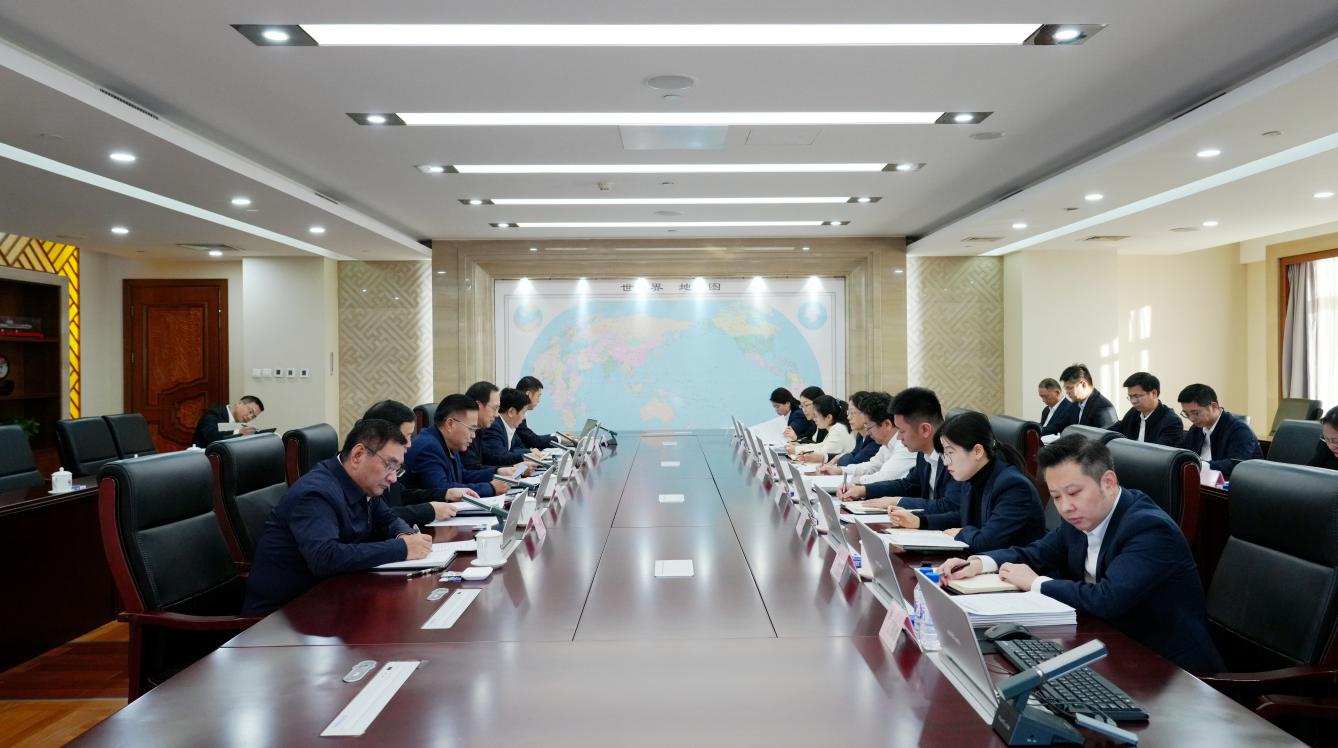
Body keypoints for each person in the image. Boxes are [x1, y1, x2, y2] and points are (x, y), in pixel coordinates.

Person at [939, 435, 1224, 674]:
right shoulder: (1081, 519)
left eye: (1073, 493)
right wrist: (979, 563)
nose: (1065, 507)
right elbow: (1037, 553)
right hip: (1109, 646)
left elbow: (1107, 598)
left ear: (1108, 482)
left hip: (1170, 669)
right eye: (1056, 496)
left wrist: (1035, 583)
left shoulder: (1149, 528)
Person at [242, 418, 434, 614]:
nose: (393, 478)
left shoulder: (362, 484)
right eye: (389, 465)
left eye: (397, 469)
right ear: (358, 455)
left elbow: (388, 518)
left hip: (330, 600)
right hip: (283, 616)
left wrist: (404, 535)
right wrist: (401, 548)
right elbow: (325, 557)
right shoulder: (316, 493)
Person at [882, 411, 1046, 554]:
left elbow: (986, 542)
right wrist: (919, 521)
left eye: (950, 453)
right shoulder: (974, 476)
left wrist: (960, 533)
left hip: (1016, 573)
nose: (946, 462)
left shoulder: (1013, 486)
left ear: (977, 451)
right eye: (944, 454)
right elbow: (963, 516)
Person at [361, 400, 480, 525]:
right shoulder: (366, 471)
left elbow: (400, 495)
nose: (409, 444)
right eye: (405, 437)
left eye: (410, 437)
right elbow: (376, 517)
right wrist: (428, 511)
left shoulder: (388, 463)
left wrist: (445, 494)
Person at [840, 387, 952, 505]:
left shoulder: (953, 457)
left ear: (925, 429)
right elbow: (909, 485)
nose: (898, 437)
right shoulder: (923, 454)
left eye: (902, 431)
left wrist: (897, 502)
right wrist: (863, 490)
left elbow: (951, 506)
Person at [404, 394, 509, 497]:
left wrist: (497, 472)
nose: (473, 435)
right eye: (471, 428)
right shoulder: (428, 448)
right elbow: (443, 489)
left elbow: (461, 475)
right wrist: (490, 488)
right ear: (450, 424)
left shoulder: (448, 441)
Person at [817, 391, 917, 483]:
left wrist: (856, 481)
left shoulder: (904, 444)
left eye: (868, 426)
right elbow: (872, 466)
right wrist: (840, 470)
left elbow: (885, 477)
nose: (867, 431)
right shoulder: (887, 444)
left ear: (887, 425)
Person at [1176, 383, 1262, 478]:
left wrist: (1201, 465)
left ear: (1214, 406)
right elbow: (1182, 452)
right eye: (1187, 414)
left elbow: (1236, 464)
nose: (1191, 418)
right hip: (1202, 479)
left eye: (1196, 413)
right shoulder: (1196, 428)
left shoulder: (1240, 430)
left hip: (1232, 482)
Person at [1109, 371, 1184, 447]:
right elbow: (1112, 432)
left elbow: (1158, 452)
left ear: (1154, 393)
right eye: (1130, 397)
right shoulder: (1134, 412)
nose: (1133, 401)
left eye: (1137, 396)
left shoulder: (1172, 422)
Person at [482, 388, 545, 466]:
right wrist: (526, 455)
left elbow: (518, 448)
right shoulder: (493, 427)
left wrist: (530, 451)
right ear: (511, 412)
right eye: (523, 412)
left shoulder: (509, 427)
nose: (524, 417)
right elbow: (499, 457)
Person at [1052, 363, 1119, 430]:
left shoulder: (1103, 408)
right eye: (1066, 388)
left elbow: (1107, 436)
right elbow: (1057, 426)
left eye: (1070, 388)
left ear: (1083, 385)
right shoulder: (1075, 405)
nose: (1067, 392)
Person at [788, 395, 854, 462]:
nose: (814, 419)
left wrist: (796, 449)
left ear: (828, 417)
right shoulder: (836, 428)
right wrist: (799, 447)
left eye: (816, 416)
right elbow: (821, 445)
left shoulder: (838, 429)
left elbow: (823, 452)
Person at [515, 376, 572, 449]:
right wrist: (559, 439)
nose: (539, 400)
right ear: (528, 394)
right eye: (538, 396)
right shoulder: (515, 415)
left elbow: (532, 438)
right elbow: (534, 441)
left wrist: (557, 436)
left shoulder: (520, 412)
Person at [192, 395, 264, 447]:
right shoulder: (213, 413)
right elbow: (211, 435)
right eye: (250, 411)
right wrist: (238, 432)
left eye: (253, 416)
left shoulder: (241, 426)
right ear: (239, 403)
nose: (249, 417)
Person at [836, 391, 881, 467]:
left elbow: (852, 463)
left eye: (852, 413)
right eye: (848, 413)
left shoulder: (875, 438)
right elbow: (853, 455)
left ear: (866, 413)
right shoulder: (860, 435)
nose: (848, 417)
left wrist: (844, 456)